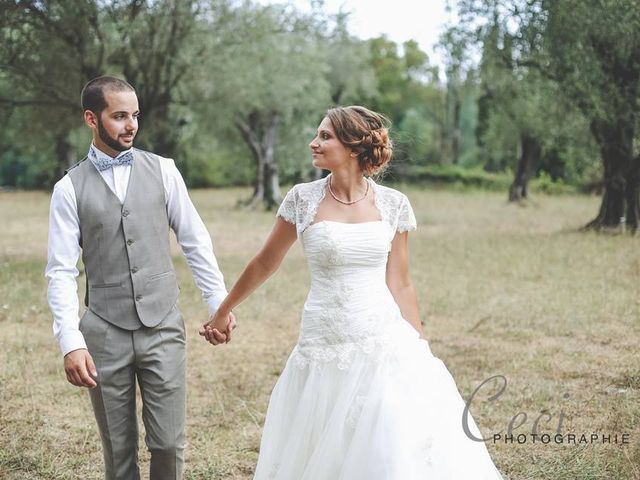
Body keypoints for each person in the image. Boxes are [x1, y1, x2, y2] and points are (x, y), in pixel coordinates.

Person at [200, 105, 503, 479]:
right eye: (317, 134)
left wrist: (418, 343)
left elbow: (401, 281)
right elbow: (265, 262)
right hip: (322, 341)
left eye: (325, 136)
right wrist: (222, 311)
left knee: (388, 442)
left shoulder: (393, 204)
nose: (314, 143)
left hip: (383, 339)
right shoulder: (302, 199)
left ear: (355, 147)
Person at [46, 75, 234, 480]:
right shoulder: (68, 189)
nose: (131, 125)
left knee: (168, 443)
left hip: (162, 323)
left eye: (135, 115)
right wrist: (70, 342)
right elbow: (60, 271)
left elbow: (195, 240)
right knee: (119, 450)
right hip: (103, 332)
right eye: (119, 116)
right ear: (91, 119)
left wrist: (218, 304)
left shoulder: (164, 171)